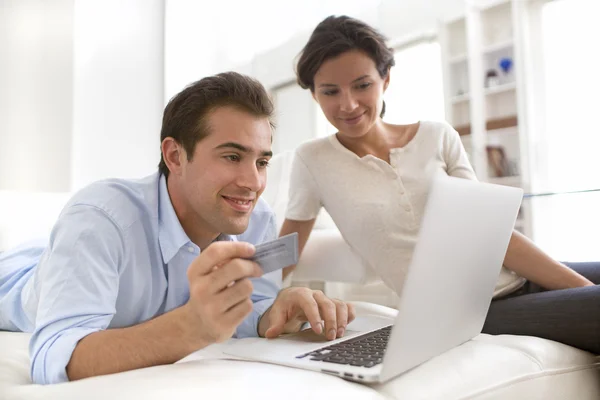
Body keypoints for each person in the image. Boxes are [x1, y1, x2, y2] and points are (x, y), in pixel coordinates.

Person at [0, 72, 355, 385]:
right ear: (174, 156)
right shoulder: (100, 219)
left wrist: (272, 314)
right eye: (232, 157)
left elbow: (253, 304)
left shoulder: (256, 218)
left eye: (262, 161)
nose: (253, 182)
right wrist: (188, 329)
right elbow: (53, 359)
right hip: (14, 278)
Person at [279, 15, 599, 354]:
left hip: (515, 278)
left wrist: (578, 289)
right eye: (331, 91)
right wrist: (249, 298)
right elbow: (288, 248)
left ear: (385, 79)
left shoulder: (437, 136)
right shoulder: (312, 160)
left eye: (362, 85)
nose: (349, 104)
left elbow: (491, 231)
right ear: (314, 95)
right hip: (465, 312)